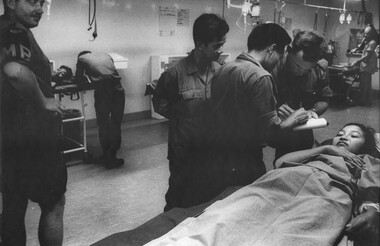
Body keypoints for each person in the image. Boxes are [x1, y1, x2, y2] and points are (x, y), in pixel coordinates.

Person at [144, 123, 379, 246]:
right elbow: (281, 161)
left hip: (327, 194)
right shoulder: (321, 150)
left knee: (292, 234)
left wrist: (371, 211)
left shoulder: (367, 161)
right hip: (283, 181)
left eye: (354, 135)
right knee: (225, 218)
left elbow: (371, 192)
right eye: (341, 132)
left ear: (365, 145)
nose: (344, 136)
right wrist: (324, 148)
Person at [185, 23, 310, 208]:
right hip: (245, 163)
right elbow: (271, 135)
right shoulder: (261, 77)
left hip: (218, 158)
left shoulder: (224, 69)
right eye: (281, 54)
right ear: (272, 49)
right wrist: (294, 119)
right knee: (248, 207)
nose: (279, 60)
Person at [0, 0, 67, 245]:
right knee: (53, 203)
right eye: (31, 1)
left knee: (13, 207)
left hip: (9, 138)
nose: (39, 8)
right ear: (9, 3)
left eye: (42, 2)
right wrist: (44, 102)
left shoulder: (4, 28)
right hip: (36, 137)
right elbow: (15, 71)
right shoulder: (14, 31)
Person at [152, 13, 229, 212]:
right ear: (200, 44)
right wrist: (186, 121)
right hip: (184, 151)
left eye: (223, 44)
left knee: (208, 197)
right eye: (216, 45)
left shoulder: (220, 71)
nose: (221, 50)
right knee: (178, 197)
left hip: (211, 149)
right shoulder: (174, 75)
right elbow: (160, 105)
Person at [271, 30, 333, 160]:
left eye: (307, 69)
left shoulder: (320, 68)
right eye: (298, 66)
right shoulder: (272, 66)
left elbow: (325, 99)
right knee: (282, 161)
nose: (301, 72)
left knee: (305, 158)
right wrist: (275, 109)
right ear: (290, 50)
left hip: (304, 127)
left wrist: (313, 111)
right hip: (279, 127)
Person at [74, 51, 126, 169]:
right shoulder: (105, 55)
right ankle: (111, 156)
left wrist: (84, 80)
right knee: (116, 125)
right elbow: (110, 73)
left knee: (103, 125)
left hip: (102, 93)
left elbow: (78, 79)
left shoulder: (81, 59)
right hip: (118, 91)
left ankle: (107, 157)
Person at [348, 26, 378, 106]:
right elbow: (361, 48)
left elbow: (367, 56)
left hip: (367, 67)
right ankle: (366, 100)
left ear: (371, 35)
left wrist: (356, 62)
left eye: (367, 34)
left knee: (364, 85)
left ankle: (363, 101)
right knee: (366, 84)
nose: (365, 36)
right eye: (364, 34)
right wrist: (356, 48)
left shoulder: (372, 43)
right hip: (365, 66)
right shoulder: (367, 42)